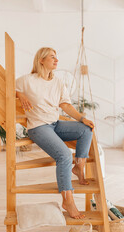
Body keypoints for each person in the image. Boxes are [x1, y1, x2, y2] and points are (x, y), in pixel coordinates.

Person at [16, 47, 94, 219]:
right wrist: (20, 94)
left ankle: (79, 166)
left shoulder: (58, 82)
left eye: (56, 57)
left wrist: (81, 118)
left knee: (86, 129)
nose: (56, 60)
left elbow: (65, 105)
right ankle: (68, 200)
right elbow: (10, 89)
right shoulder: (26, 80)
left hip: (55, 123)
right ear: (41, 60)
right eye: (52, 57)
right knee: (65, 155)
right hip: (38, 127)